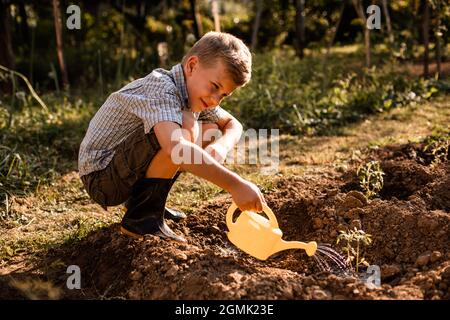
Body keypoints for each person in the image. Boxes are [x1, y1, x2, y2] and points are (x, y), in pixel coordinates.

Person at [78, 31, 266, 242]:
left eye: (223, 95)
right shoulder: (162, 87)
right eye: (215, 87)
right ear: (192, 65)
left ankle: (146, 202)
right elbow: (176, 148)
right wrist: (235, 184)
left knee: (210, 129)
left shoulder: (191, 91)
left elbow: (233, 125)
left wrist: (221, 147)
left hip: (121, 169)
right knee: (183, 129)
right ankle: (142, 218)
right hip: (102, 177)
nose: (215, 100)